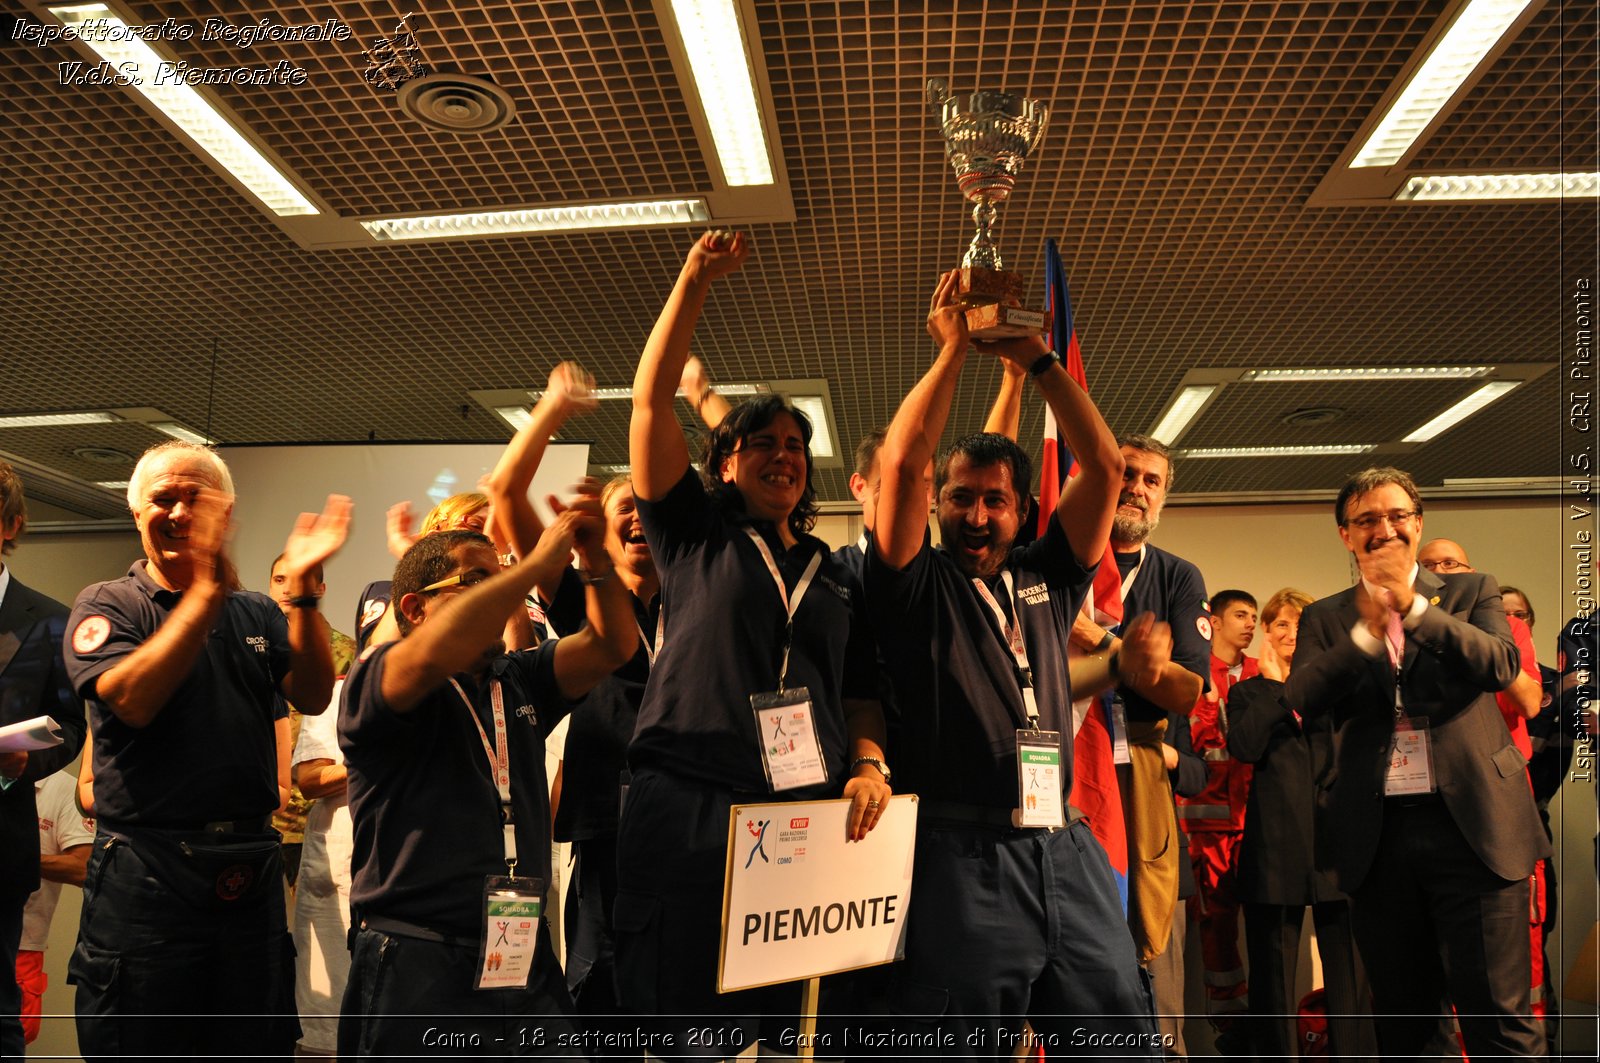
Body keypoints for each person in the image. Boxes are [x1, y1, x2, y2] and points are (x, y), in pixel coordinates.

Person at [868, 268, 1158, 1053]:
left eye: (994, 499)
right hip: (962, 854)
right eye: (960, 496)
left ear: (1022, 510)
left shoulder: (1047, 577)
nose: (976, 513)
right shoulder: (914, 584)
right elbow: (901, 464)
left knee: (1119, 1034)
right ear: (939, 504)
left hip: (1064, 842)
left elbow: (1103, 466)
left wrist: (1037, 357)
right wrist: (954, 351)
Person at [619, 229, 890, 1053]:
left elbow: (860, 684)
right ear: (725, 461)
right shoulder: (692, 532)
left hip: (798, 805)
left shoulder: (832, 570)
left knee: (784, 1031)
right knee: (689, 1025)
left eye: (797, 445)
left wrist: (870, 763)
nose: (784, 456)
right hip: (691, 798)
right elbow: (646, 401)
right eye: (763, 442)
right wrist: (694, 279)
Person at [62, 440, 349, 1059]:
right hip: (147, 872)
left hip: (248, 867)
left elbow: (316, 693)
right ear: (137, 513)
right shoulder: (110, 604)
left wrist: (301, 595)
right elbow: (133, 700)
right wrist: (202, 596)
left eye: (197, 499)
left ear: (226, 509)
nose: (179, 513)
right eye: (163, 499)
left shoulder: (255, 612)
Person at [337, 483, 636, 1055]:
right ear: (414, 607)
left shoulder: (514, 678)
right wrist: (533, 566)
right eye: (477, 581)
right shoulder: (382, 681)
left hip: (520, 949)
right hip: (419, 958)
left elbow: (613, 645)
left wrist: (594, 562)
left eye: (500, 572)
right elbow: (429, 654)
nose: (499, 589)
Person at [1284, 466, 1548, 1059]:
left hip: (1476, 831)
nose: (1384, 528)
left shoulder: (1470, 590)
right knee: (1407, 1025)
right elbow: (1302, 696)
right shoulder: (1326, 618)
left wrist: (1417, 612)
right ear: (1345, 535)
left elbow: (1500, 665)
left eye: (1397, 515)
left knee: (1498, 1017)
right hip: (1379, 840)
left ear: (1418, 523)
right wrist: (1365, 637)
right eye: (1367, 519)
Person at [1062, 432, 1208, 1048]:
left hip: (1136, 772)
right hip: (1062, 759)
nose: (1137, 489)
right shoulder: (1065, 558)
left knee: (1141, 920)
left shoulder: (1177, 576)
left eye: (1152, 481)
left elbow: (1187, 692)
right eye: (1127, 475)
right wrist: (1142, 663)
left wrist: (1099, 642)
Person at [1227, 588, 1374, 1059]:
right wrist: (1277, 691)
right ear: (1266, 635)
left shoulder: (1340, 688)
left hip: (1338, 849)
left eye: (1299, 624)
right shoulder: (1248, 691)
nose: (1291, 634)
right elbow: (1245, 747)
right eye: (1281, 625)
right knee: (1272, 984)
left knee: (1350, 984)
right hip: (1274, 852)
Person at [0, 460, 88, 1058]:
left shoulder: (52, 619)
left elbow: (74, 727)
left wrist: (20, 764)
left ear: (11, 524)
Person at [1178, 589, 1258, 1027]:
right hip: (1202, 824)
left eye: (1255, 617)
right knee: (1212, 923)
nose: (1251, 624)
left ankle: (1255, 1016)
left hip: (1252, 820)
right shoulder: (1191, 673)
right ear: (1216, 621)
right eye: (1242, 615)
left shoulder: (1264, 673)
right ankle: (1226, 1020)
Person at [267, 552, 358, 889]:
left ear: (319, 589)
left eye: (300, 581)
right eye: (279, 580)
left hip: (325, 810)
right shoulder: (257, 649)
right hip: (267, 817)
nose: (288, 590)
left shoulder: (348, 653)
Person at [13, 768, 93, 1045]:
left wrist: (14, 857)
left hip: (22, 944)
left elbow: (83, 869)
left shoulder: (62, 789)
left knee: (14, 1034)